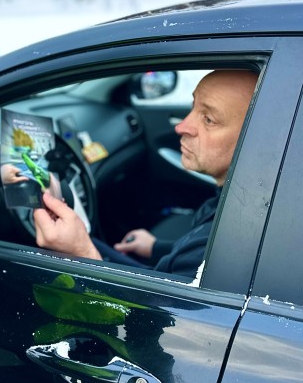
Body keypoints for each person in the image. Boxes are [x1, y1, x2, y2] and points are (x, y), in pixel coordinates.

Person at [33, 70, 258, 278]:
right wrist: (156, 247)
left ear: (254, 139)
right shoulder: (234, 203)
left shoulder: (228, 250)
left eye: (209, 119)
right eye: (193, 107)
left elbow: (151, 309)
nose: (181, 127)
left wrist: (81, 253)